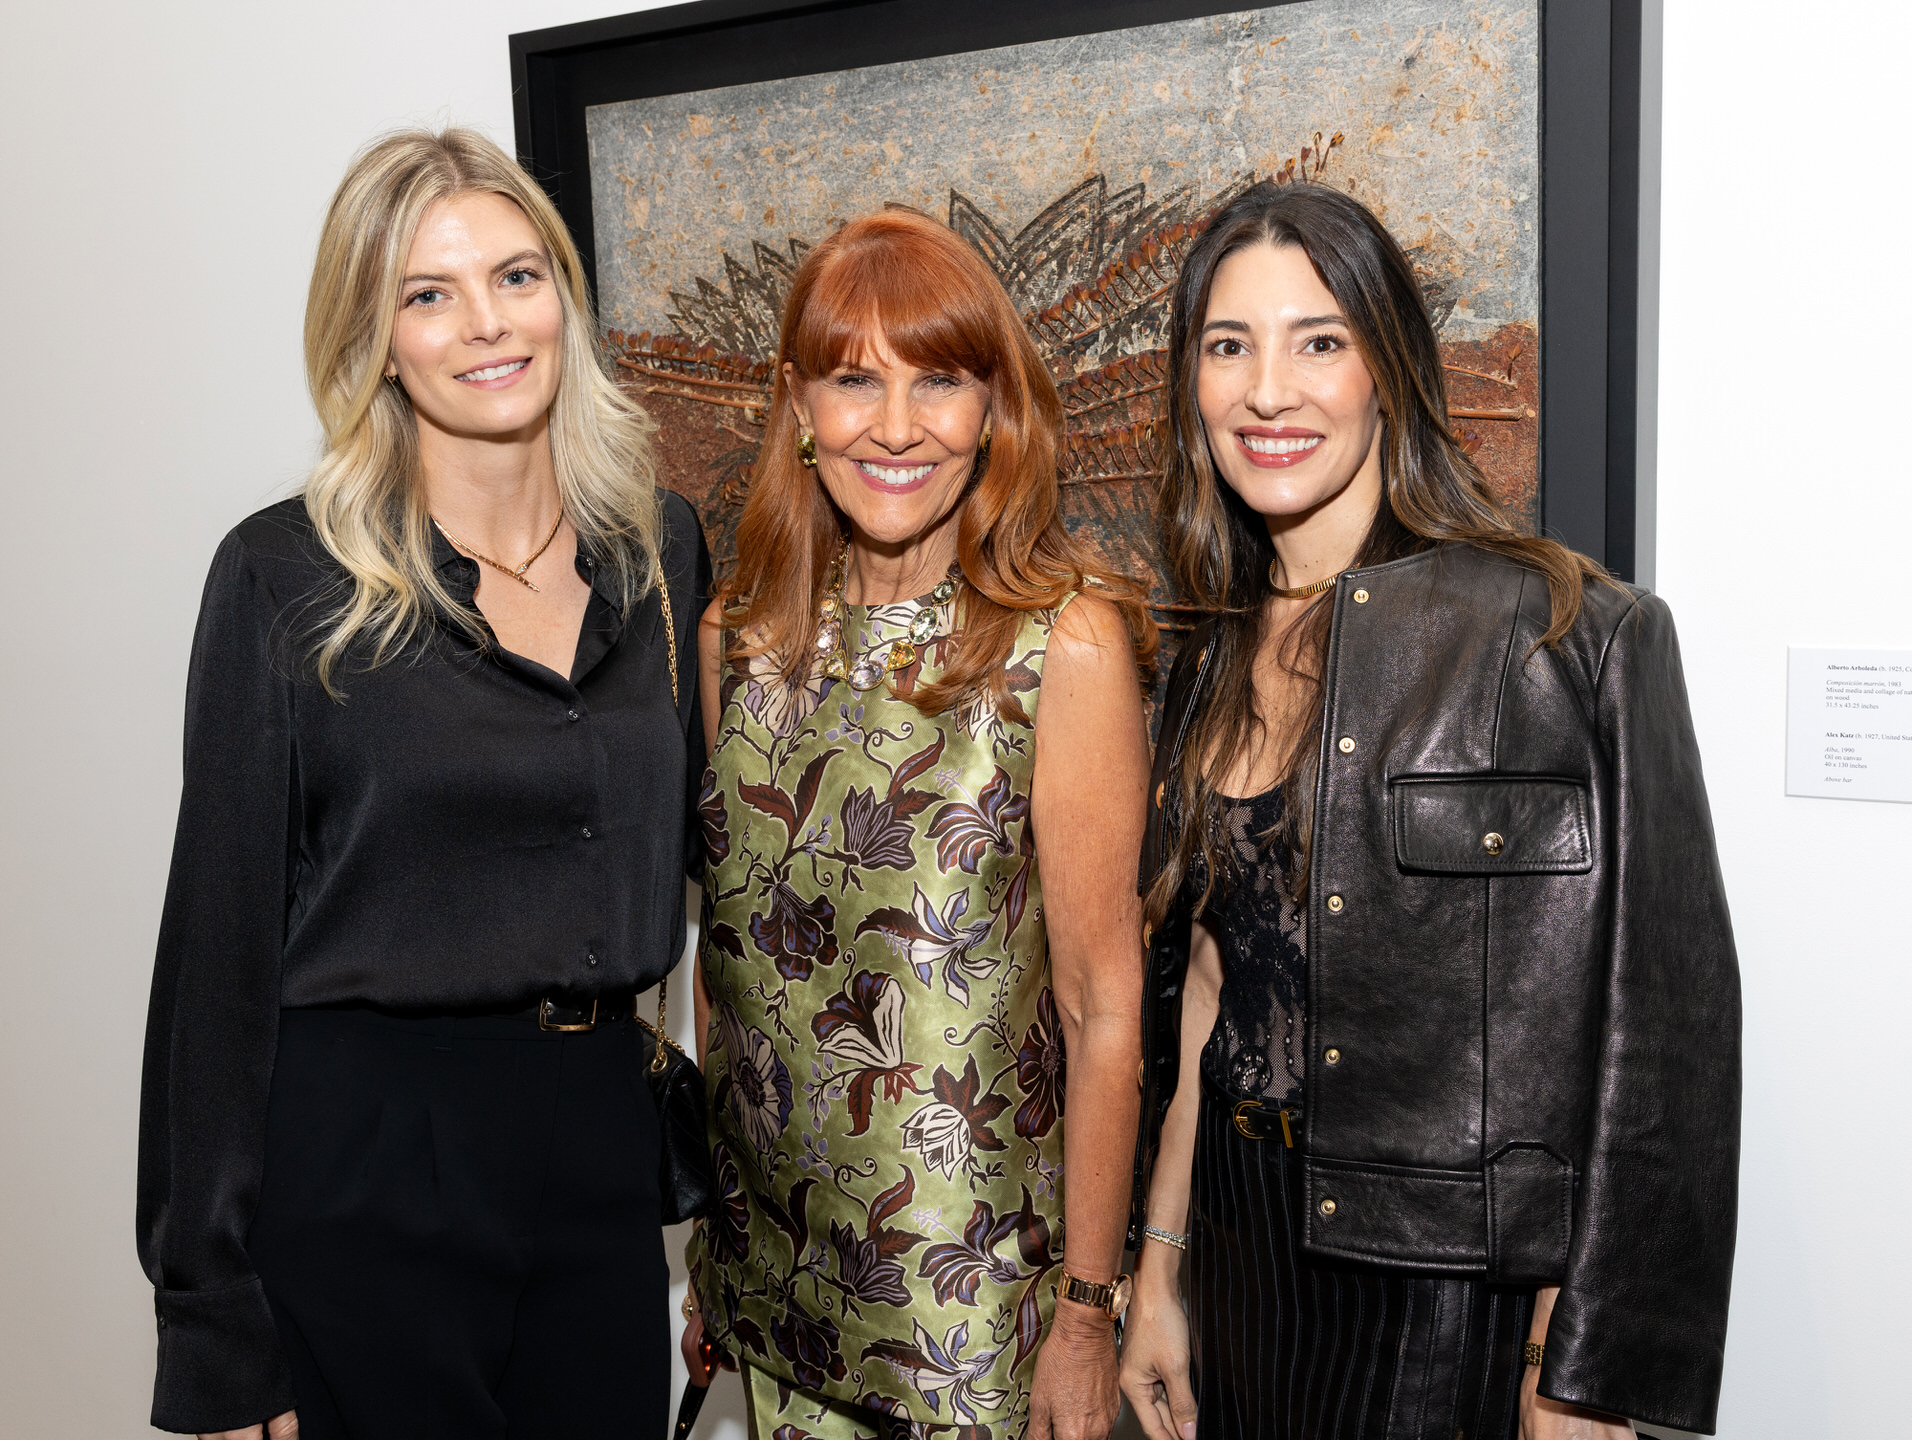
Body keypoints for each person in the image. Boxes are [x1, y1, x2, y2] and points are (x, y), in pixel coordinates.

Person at [1117, 183, 1740, 1440]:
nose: (1267, 392)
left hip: (1447, 1283)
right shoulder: (1196, 655)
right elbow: (1206, 990)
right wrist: (1159, 1270)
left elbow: (1658, 1039)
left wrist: (1576, 1360)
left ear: (1388, 369)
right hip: (1237, 1242)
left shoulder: (1563, 635)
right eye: (1229, 346)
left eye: (1319, 341)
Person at [136, 128, 708, 1440]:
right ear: (377, 339)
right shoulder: (286, 578)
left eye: (517, 276)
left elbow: (703, 861)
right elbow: (216, 956)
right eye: (428, 293)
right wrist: (211, 1319)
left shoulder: (661, 549)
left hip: (598, 1151)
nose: (487, 322)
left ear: (563, 296)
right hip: (369, 1160)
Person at [679, 207, 1154, 1440]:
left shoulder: (1065, 644)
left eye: (938, 380)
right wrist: (717, 1247)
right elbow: (729, 975)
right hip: (773, 1291)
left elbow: (1103, 1008)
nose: (895, 427)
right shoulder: (736, 638)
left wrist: (1087, 1315)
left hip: (969, 1323)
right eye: (853, 380)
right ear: (798, 405)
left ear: (993, 409)